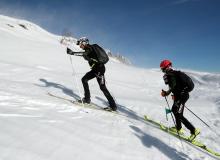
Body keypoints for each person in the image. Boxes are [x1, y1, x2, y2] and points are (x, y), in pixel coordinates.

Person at [66, 37, 117, 111]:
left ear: (84, 43)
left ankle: (113, 106)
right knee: (84, 79)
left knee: (102, 87)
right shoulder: (89, 49)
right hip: (95, 69)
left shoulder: (89, 48)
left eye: (80, 44)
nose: (80, 46)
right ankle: (87, 99)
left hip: (100, 70)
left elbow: (83, 53)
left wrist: (73, 53)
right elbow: (85, 54)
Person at [160, 59, 200, 141]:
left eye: (163, 69)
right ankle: (178, 128)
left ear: (167, 67)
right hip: (178, 97)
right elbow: (172, 87)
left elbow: (190, 86)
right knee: (174, 110)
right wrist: (166, 93)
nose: (163, 71)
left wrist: (181, 93)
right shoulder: (169, 76)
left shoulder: (177, 74)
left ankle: (194, 131)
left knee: (178, 114)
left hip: (183, 97)